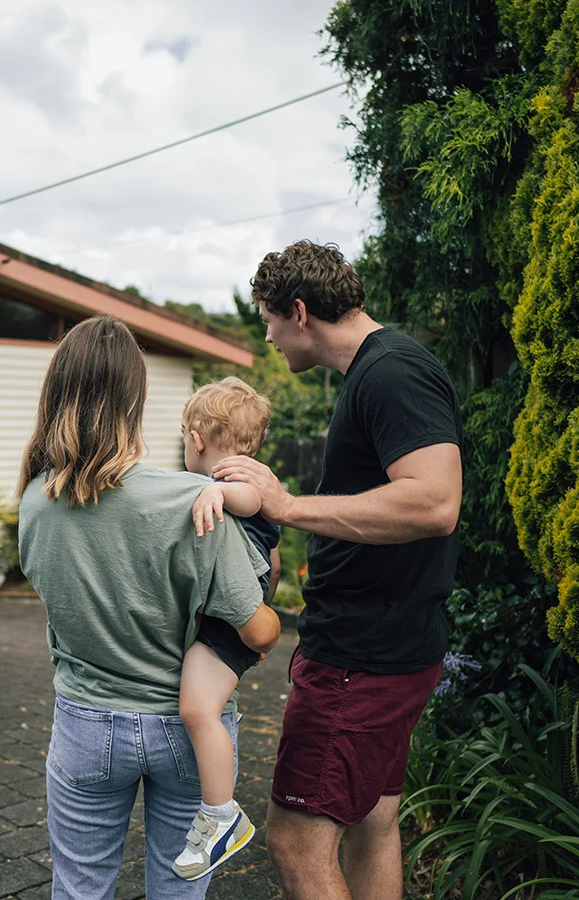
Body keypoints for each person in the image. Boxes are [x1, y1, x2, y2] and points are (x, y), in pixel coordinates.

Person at [212, 241, 463, 900]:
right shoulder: (381, 371)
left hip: (360, 658)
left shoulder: (391, 373)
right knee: (373, 823)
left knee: (296, 840)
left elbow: (435, 501)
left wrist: (287, 507)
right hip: (389, 646)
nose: (266, 336)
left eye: (267, 319)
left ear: (299, 312)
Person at [19, 316, 281, 900]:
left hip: (86, 724)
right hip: (186, 734)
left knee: (80, 890)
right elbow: (259, 631)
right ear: (134, 400)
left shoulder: (35, 501)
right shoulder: (196, 502)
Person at [172, 377, 283, 879]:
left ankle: (222, 816)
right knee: (200, 707)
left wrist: (216, 489)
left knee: (198, 708)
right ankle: (217, 813)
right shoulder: (226, 481)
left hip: (227, 627)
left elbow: (253, 502)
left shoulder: (238, 483)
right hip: (228, 621)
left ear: (196, 438)